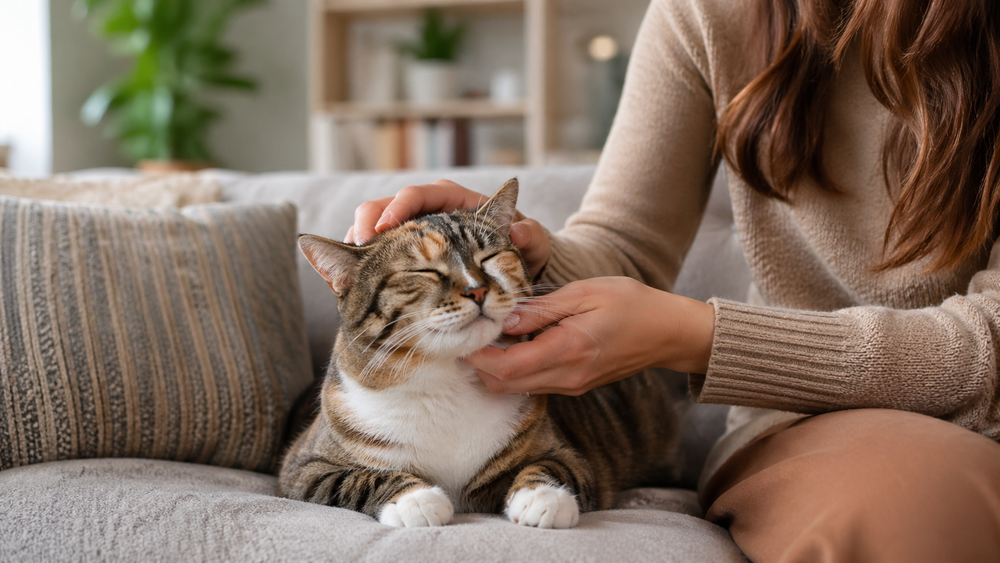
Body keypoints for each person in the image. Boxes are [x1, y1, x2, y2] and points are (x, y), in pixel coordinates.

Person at [345, 0, 1000, 560]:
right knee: (908, 496)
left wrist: (700, 336)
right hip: (820, 427)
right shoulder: (707, 12)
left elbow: (990, 341)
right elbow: (627, 247)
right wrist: (522, 254)